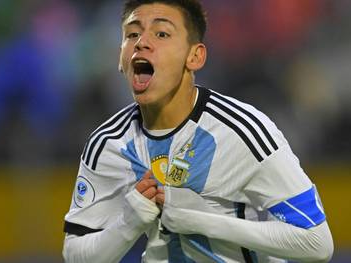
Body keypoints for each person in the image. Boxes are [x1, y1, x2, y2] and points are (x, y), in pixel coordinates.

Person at [63, 0, 334, 262]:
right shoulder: (107, 143)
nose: (141, 43)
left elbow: (316, 241)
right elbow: (76, 255)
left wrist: (199, 221)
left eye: (161, 33)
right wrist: (127, 224)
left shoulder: (242, 130)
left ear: (195, 56)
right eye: (132, 34)